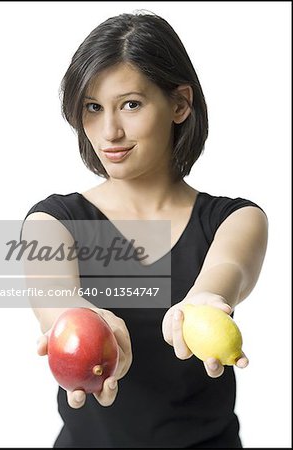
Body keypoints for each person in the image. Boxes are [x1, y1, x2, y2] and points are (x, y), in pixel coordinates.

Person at [22, 11, 268, 448]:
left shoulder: (236, 218)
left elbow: (226, 270)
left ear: (180, 104)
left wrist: (203, 301)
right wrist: (79, 321)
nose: (109, 131)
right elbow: (54, 298)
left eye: (130, 104)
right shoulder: (52, 221)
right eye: (93, 108)